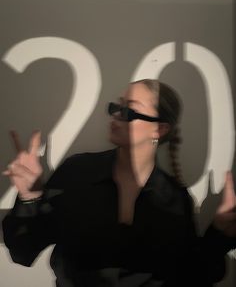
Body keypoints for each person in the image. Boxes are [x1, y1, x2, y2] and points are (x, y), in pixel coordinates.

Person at [2, 79, 236, 287]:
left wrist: (220, 233)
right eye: (117, 106)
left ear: (159, 128)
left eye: (129, 110)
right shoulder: (77, 173)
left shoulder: (175, 199)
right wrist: (29, 197)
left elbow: (192, 276)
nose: (116, 115)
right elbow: (23, 251)